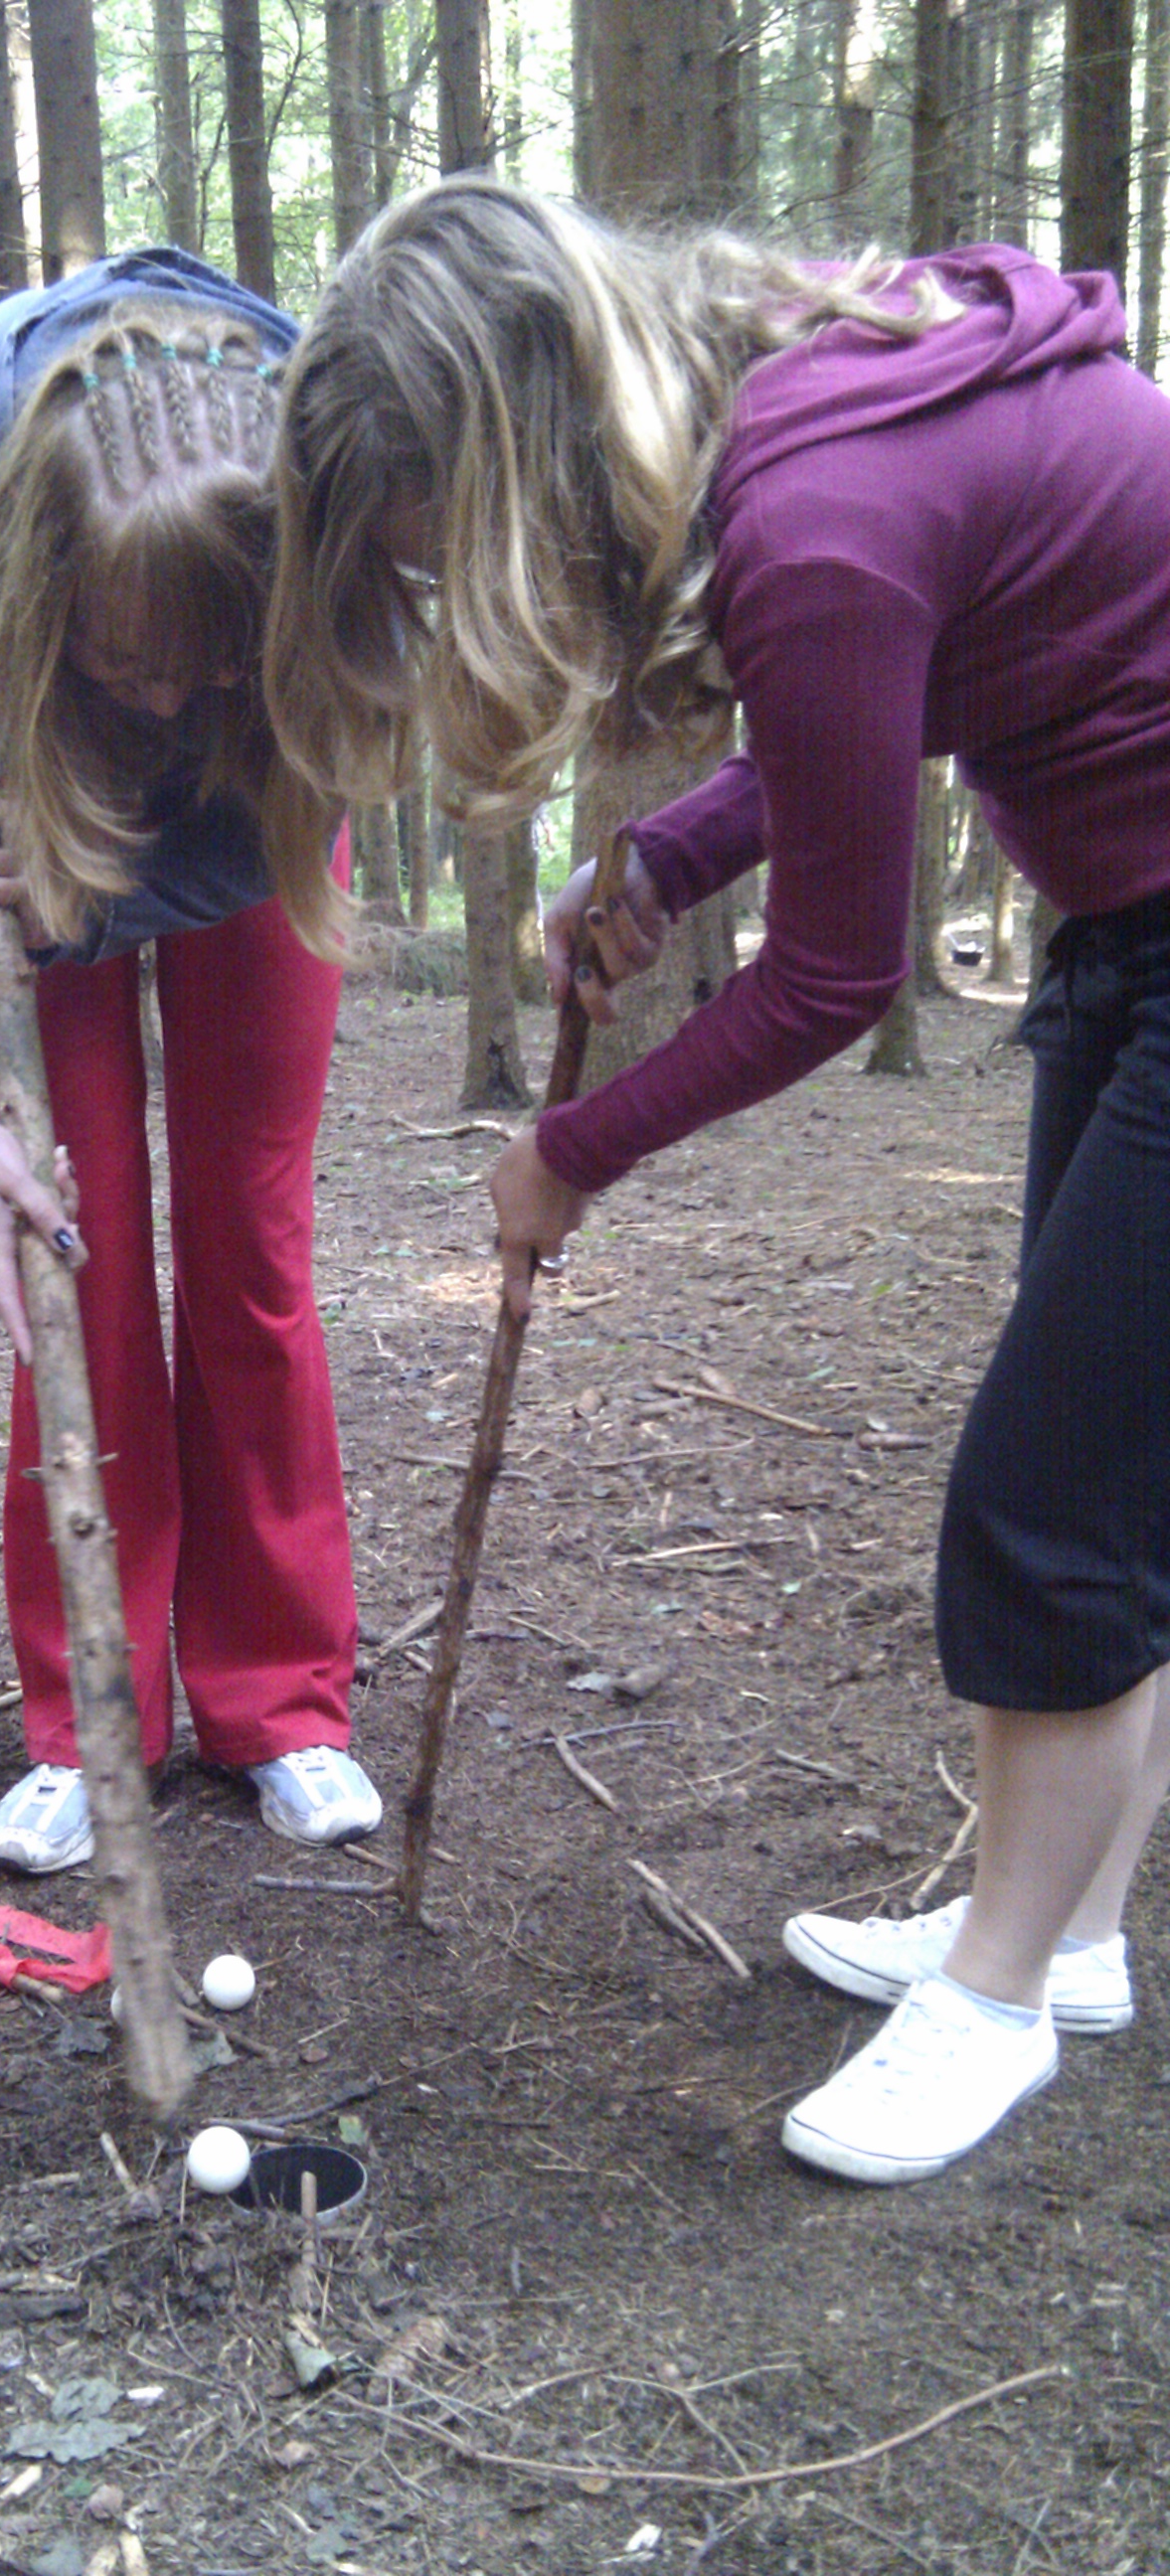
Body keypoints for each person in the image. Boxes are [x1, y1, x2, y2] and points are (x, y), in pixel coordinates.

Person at [263, 173, 1170, 2184]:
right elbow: (864, 699)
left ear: (521, 467)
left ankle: (996, 2001)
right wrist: (666, 855)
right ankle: (1062, 1934)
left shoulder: (810, 508)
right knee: (1105, 1483)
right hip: (1128, 929)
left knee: (1046, 1507)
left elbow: (836, 977)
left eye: (445, 549)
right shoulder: (794, 413)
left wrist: (567, 1153)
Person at [0, 248, 382, 1873]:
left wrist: (177, 771)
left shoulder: (333, 484)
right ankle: (90, 1716)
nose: (167, 696)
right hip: (18, 831)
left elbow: (347, 761)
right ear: (46, 586)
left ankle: (282, 1700)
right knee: (75, 1256)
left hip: (262, 811)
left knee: (251, 1242)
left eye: (208, 657)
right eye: (136, 660)